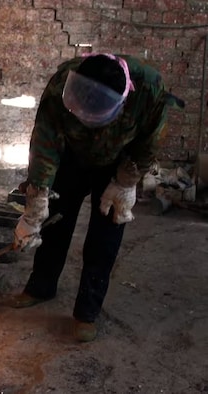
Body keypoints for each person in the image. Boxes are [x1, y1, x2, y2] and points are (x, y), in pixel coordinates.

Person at [10, 53, 177, 342]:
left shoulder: (150, 91)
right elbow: (44, 144)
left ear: (123, 100)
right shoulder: (61, 85)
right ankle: (40, 286)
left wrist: (126, 182)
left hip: (117, 162)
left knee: (105, 235)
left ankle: (87, 311)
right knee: (55, 223)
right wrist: (35, 206)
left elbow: (150, 141)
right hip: (72, 157)